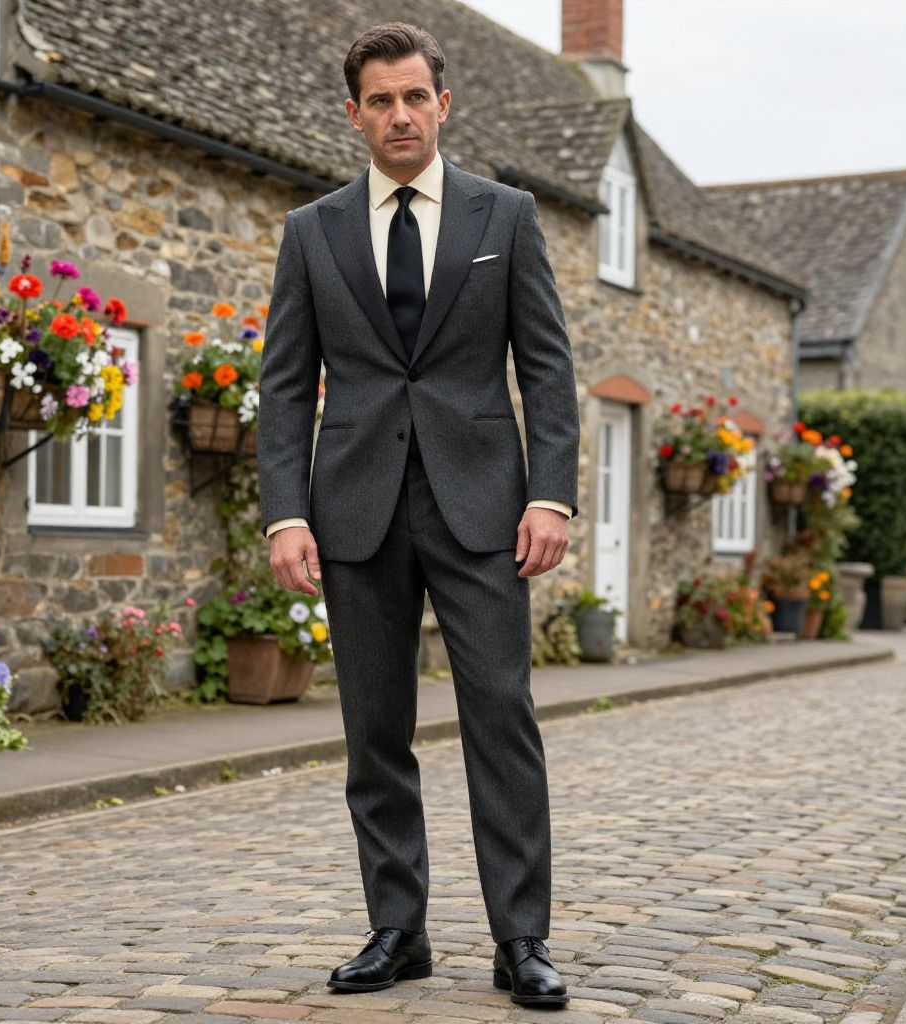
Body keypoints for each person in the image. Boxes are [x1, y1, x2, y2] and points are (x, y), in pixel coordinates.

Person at [257, 21, 580, 1008]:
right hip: (353, 510)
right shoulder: (311, 233)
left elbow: (547, 364)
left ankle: (519, 938)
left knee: (500, 718)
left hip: (483, 507)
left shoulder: (505, 216)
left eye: (415, 97)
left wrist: (550, 490)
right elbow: (284, 387)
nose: (399, 115)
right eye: (380, 100)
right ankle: (397, 928)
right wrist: (284, 514)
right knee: (374, 731)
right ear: (353, 113)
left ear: (444, 104)